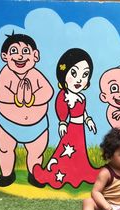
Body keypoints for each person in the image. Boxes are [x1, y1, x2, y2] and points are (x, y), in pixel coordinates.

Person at [33, 48, 99, 188]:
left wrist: (88, 121)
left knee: (80, 152)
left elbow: (83, 111)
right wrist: (62, 123)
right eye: (74, 73)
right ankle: (59, 173)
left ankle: (79, 171)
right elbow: (61, 109)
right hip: (72, 128)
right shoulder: (65, 95)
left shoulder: (81, 96)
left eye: (85, 74)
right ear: (64, 73)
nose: (79, 79)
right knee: (66, 151)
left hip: (80, 128)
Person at [0, 32, 54, 187]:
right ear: (4, 56)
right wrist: (17, 98)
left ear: (35, 55)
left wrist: (31, 98)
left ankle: (34, 175)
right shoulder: (5, 74)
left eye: (25, 51)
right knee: (6, 150)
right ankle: (7, 175)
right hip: (7, 124)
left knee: (36, 153)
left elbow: (47, 92)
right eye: (14, 51)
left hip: (37, 126)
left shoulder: (36, 75)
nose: (20, 56)